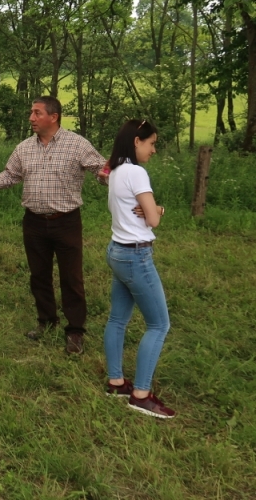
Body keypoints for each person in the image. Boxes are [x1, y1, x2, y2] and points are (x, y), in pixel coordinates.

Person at [0, 96, 106, 354]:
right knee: (39, 275)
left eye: (37, 113)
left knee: (71, 278)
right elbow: (9, 177)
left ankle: (75, 331)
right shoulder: (24, 148)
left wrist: (120, 176)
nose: (31, 118)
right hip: (34, 222)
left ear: (54, 117)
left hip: (66, 222)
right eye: (31, 112)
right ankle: (46, 321)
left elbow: (101, 171)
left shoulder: (77, 145)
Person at [102, 120, 175, 418]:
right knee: (159, 325)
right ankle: (141, 395)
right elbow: (153, 220)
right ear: (136, 141)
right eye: (151, 143)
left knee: (118, 319)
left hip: (117, 251)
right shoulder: (136, 172)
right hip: (136, 256)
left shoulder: (116, 172)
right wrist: (154, 210)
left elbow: (140, 211)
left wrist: (149, 210)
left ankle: (116, 382)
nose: (154, 149)